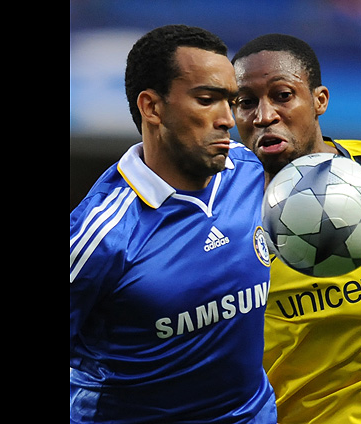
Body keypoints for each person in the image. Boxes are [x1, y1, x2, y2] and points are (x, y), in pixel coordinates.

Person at [70, 25, 277, 423]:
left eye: (232, 101)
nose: (228, 120)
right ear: (152, 107)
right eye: (207, 100)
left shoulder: (253, 172)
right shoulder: (101, 236)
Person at [231, 33, 361, 424]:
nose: (264, 116)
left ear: (319, 100)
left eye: (282, 95)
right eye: (246, 102)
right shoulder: (219, 221)